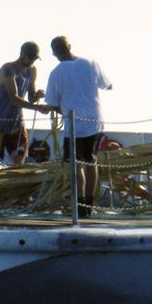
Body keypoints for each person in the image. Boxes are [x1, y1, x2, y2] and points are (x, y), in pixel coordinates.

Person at [45, 36, 112, 215]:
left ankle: (80, 206)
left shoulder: (56, 73)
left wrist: (64, 108)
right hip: (94, 120)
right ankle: (89, 205)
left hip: (74, 124)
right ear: (69, 46)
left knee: (76, 166)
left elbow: (52, 103)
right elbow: (108, 85)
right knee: (91, 162)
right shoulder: (90, 63)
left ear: (55, 52)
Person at [0, 41, 55, 169]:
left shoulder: (32, 70)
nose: (32, 61)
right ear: (22, 53)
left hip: (16, 122)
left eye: (35, 58)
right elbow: (14, 98)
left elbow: (31, 98)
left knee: (19, 159)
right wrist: (37, 108)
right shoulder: (8, 70)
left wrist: (37, 95)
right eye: (30, 57)